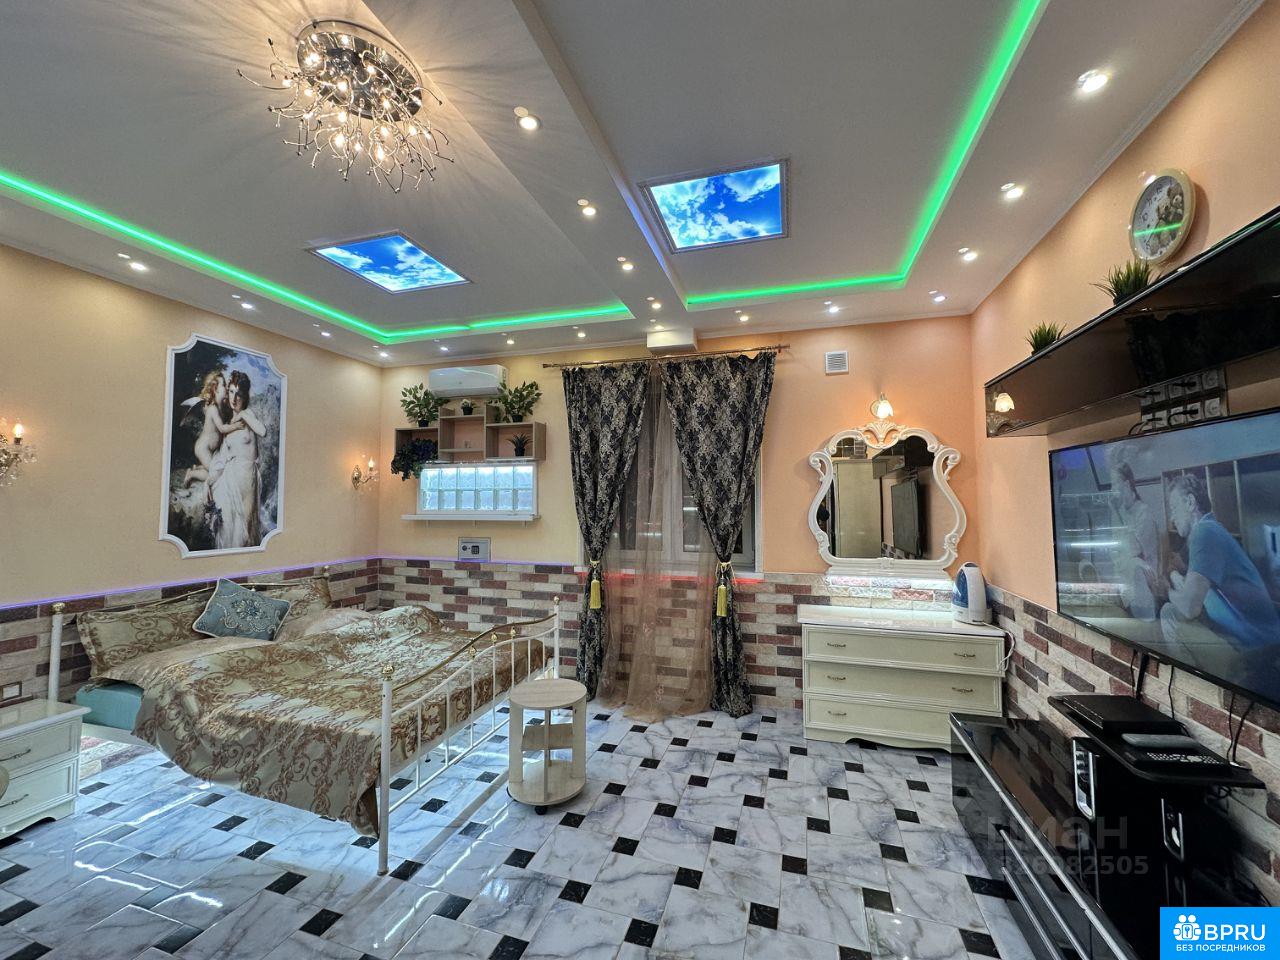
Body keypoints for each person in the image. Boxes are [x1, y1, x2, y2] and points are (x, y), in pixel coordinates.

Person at [1159, 473, 1280, 672]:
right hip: (1244, 642)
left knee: (1169, 612)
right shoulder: (1205, 532)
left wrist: (1167, 591)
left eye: (1174, 508)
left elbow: (1189, 607)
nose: (1171, 518)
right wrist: (1177, 575)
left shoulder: (1205, 533)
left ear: (1190, 502)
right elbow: (1176, 566)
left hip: (1256, 653)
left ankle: (1189, 682)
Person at [208, 371, 266, 549]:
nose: (234, 398)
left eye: (239, 394)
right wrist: (208, 483)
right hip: (230, 480)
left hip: (248, 479)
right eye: (231, 392)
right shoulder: (229, 424)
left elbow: (262, 431)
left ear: (245, 396)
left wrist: (243, 416)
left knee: (246, 531)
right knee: (229, 530)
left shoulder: (248, 415)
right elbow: (223, 459)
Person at [1110, 462, 1159, 621]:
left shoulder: (1144, 513)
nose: (1112, 490)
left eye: (1114, 484)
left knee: (1134, 566)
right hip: (1126, 577)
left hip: (1145, 582)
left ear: (1126, 484)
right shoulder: (1121, 511)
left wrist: (1115, 513)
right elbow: (1115, 548)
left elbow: (1134, 550)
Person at [182, 372, 243, 487]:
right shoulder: (213, 408)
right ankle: (192, 474)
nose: (226, 387)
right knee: (215, 474)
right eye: (223, 385)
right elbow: (222, 428)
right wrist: (236, 426)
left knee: (217, 469)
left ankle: (198, 467)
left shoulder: (221, 407)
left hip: (210, 450)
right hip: (203, 448)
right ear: (215, 389)